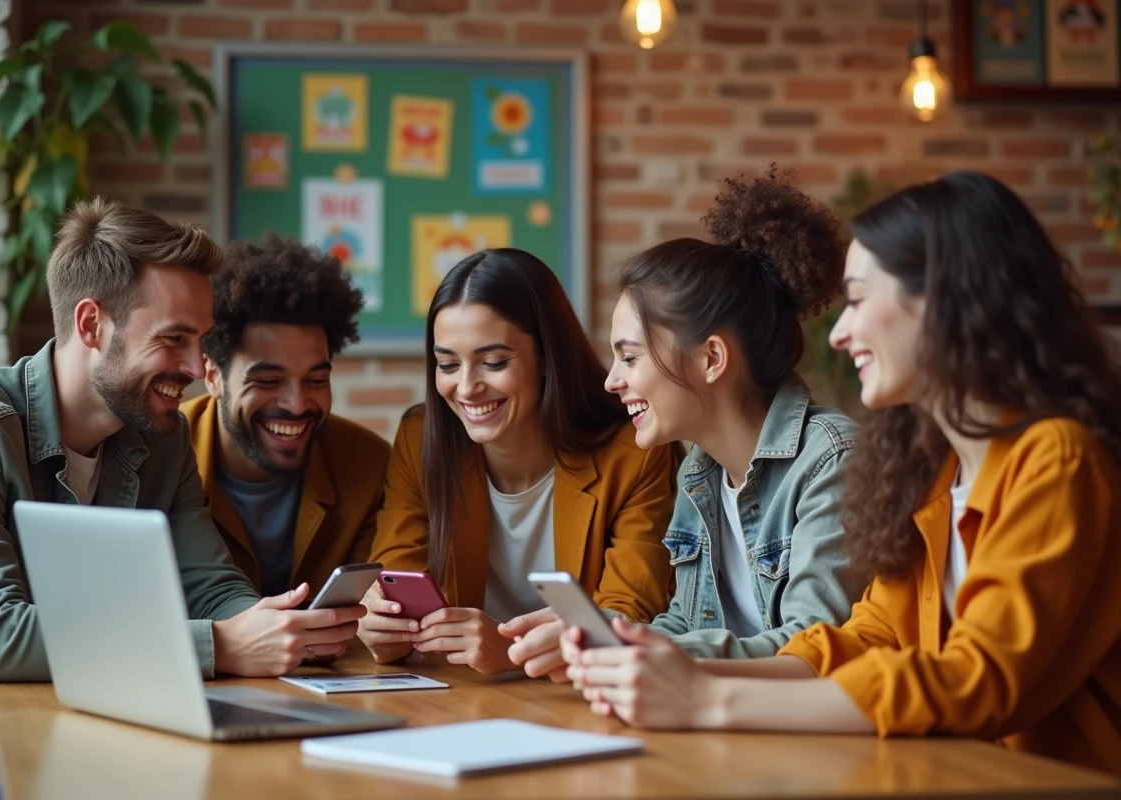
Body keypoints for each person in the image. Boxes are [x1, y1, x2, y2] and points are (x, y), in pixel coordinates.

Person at [562, 171, 1121, 776]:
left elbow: (974, 678)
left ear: (945, 303)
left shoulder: (1057, 460)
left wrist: (709, 699)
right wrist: (670, 664)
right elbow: (866, 636)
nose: (839, 331)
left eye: (858, 299)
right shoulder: (930, 472)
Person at [0, 199, 364, 798]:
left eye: (201, 340)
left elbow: (209, 582)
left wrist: (280, 623)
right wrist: (222, 644)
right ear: (90, 324)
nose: (193, 367)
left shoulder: (162, 438)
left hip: (89, 710)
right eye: (174, 339)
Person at [584, 168, 863, 662]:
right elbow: (686, 622)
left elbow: (814, 646)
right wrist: (601, 637)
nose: (612, 381)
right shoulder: (700, 471)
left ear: (712, 359)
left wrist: (648, 653)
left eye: (629, 357)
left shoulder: (830, 460)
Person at [359, 248, 677, 676]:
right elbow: (398, 581)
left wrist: (511, 652)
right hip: (460, 697)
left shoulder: (635, 449)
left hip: (582, 699)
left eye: (493, 362)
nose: (467, 388)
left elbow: (626, 615)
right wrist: (383, 625)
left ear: (546, 356)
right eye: (447, 364)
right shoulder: (420, 440)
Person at [184, 235, 390, 605]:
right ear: (213, 376)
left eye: (316, 380)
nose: (296, 405)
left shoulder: (371, 466)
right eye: (267, 381)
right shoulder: (159, 456)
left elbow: (373, 608)